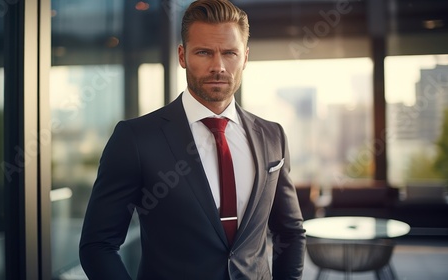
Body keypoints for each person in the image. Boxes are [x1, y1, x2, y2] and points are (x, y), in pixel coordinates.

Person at [79, 0, 306, 279]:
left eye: (230, 53)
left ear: (245, 57)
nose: (218, 66)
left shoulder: (272, 136)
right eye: (204, 52)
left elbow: (291, 232)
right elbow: (98, 245)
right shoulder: (136, 139)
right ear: (182, 56)